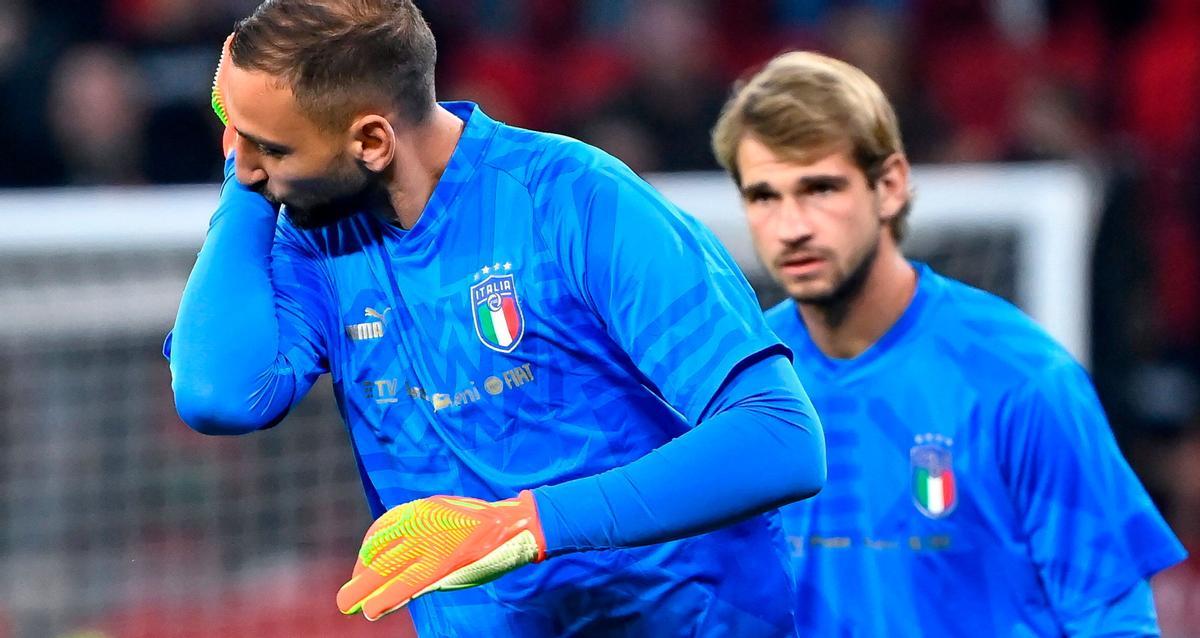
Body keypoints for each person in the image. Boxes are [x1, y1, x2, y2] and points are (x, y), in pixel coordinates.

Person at [166, 1, 826, 636]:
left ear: (371, 140)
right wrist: (246, 180)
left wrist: (524, 524)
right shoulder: (322, 237)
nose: (248, 167)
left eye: (271, 151)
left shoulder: (573, 200)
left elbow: (778, 438)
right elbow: (221, 397)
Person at [711, 50, 1187, 636]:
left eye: (820, 188)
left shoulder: (1018, 375)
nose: (792, 225)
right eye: (765, 196)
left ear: (889, 186)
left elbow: (1112, 615)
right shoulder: (730, 388)